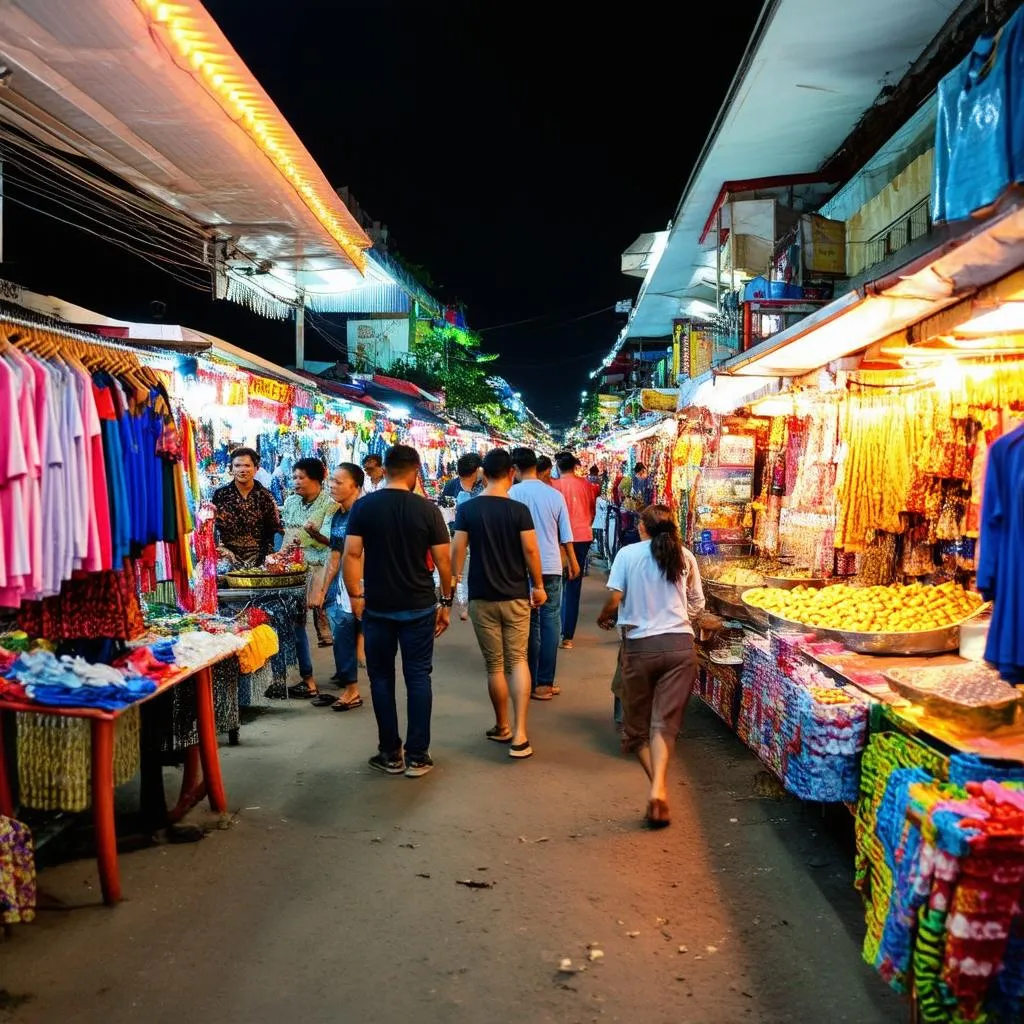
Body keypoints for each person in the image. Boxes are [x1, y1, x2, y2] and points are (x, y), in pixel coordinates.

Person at [343, 445, 454, 778]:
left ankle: (390, 753)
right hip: (419, 606)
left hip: (377, 605)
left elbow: (351, 554)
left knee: (381, 678)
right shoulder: (427, 510)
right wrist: (445, 602)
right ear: (415, 471)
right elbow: (444, 562)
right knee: (418, 676)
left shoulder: (363, 507)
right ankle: (418, 756)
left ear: (386, 469)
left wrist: (356, 595)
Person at [597, 505, 704, 829]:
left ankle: (657, 789)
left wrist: (605, 616)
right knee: (664, 727)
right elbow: (697, 603)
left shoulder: (627, 555)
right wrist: (682, 621)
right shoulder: (684, 556)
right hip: (680, 649)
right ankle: (658, 790)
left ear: (642, 528)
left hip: (640, 648)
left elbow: (615, 599)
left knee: (636, 730)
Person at [452, 449, 546, 759]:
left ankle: (502, 725)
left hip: (482, 597)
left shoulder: (468, 509)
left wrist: (457, 590)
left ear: (482, 473)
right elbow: (532, 551)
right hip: (516, 594)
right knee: (517, 660)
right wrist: (539, 586)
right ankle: (521, 734)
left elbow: (458, 551)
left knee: (494, 666)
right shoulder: (518, 510)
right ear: (511, 473)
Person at [509, 447, 578, 700]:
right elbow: (566, 533)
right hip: (550, 565)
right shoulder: (553, 495)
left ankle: (526, 678)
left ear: (514, 469)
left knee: (529, 622)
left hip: (520, 567)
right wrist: (572, 560)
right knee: (551, 621)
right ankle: (544, 684)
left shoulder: (511, 494)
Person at [280, 458, 338, 697]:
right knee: (294, 621)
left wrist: (312, 532)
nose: (296, 482)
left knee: (329, 618)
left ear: (317, 479)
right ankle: (302, 677)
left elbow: (329, 541)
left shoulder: (330, 505)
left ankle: (338, 673)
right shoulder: (291, 501)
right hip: (291, 569)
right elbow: (286, 534)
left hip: (319, 569)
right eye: (294, 477)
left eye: (301, 477)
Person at [314, 462, 366, 711]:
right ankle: (351, 689)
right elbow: (335, 554)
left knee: (373, 639)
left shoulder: (367, 512)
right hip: (343, 589)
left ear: (355, 485)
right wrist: (324, 589)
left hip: (369, 586)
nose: (332, 486)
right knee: (342, 634)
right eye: (331, 481)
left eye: (338, 482)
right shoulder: (338, 515)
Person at [552, 452, 597, 649]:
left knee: (555, 583)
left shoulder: (554, 485)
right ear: (574, 466)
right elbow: (592, 510)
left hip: (560, 538)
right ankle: (567, 636)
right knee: (574, 585)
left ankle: (552, 631)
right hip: (582, 536)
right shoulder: (587, 485)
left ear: (558, 466)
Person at [212, 447, 281, 567]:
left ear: (256, 469)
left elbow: (274, 529)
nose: (242, 470)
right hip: (227, 557)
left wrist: (267, 557)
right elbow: (213, 527)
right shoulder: (220, 495)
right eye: (237, 466)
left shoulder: (266, 496)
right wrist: (220, 548)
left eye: (247, 466)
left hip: (260, 558)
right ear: (231, 469)